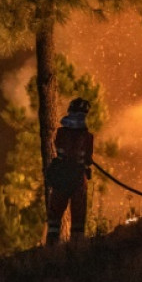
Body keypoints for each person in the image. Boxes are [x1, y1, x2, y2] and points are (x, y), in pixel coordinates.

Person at [45, 97, 94, 245]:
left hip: (62, 175)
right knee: (78, 215)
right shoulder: (87, 137)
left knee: (55, 214)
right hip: (77, 177)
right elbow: (87, 157)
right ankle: (76, 247)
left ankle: (52, 247)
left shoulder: (61, 133)